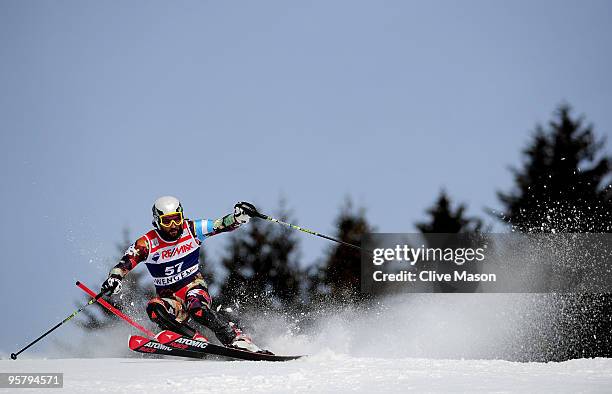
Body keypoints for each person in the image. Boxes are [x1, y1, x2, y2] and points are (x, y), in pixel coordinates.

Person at [100, 196, 269, 353]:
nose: (173, 225)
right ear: (157, 221)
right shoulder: (147, 243)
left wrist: (238, 217)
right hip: (170, 298)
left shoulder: (192, 229)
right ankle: (193, 339)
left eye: (177, 218)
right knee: (154, 308)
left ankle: (236, 338)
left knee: (197, 308)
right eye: (167, 221)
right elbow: (125, 262)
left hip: (193, 287)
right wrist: (115, 277)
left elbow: (220, 224)